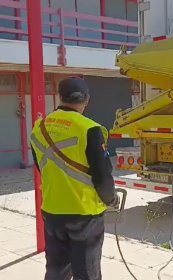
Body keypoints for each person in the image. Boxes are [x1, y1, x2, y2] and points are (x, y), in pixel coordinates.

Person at [30, 77, 119, 280]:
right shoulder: (89, 129)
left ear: (60, 98)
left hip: (52, 211)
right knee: (87, 272)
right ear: (86, 100)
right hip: (84, 214)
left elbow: (41, 166)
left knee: (56, 270)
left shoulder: (39, 127)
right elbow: (102, 175)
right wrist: (110, 199)